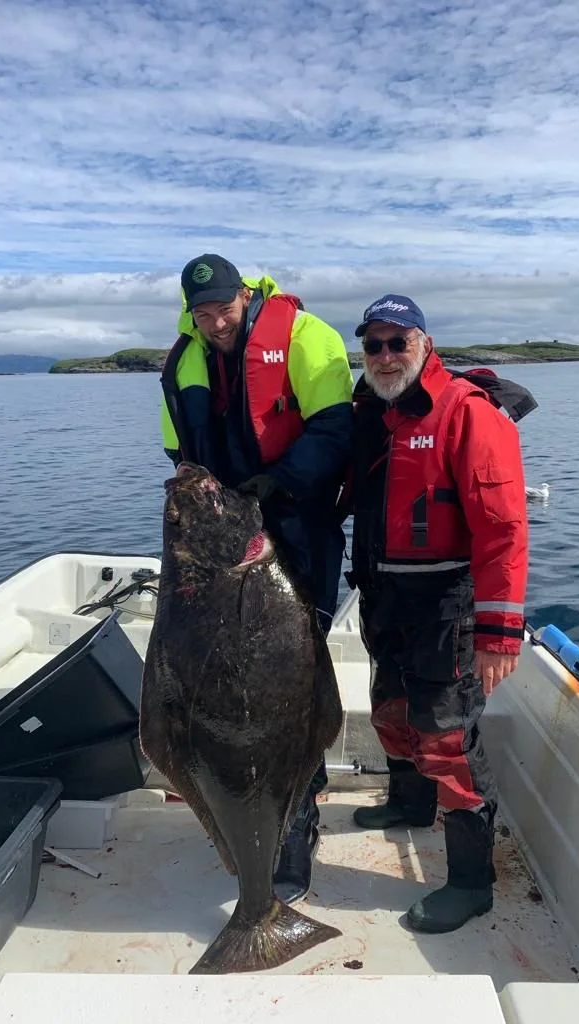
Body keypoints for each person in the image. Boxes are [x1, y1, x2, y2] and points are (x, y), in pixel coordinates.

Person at [159, 253, 353, 903]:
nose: (215, 322)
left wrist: (281, 481)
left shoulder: (306, 337)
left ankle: (296, 816)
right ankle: (245, 809)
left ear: (246, 293)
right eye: (202, 313)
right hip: (221, 535)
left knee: (292, 673)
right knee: (219, 679)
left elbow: (334, 429)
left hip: (296, 524)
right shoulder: (181, 361)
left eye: (224, 307)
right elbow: (176, 449)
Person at [343, 293, 531, 935]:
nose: (387, 355)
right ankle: (408, 803)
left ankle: (472, 883)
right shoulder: (368, 411)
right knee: (390, 709)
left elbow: (505, 530)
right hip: (382, 596)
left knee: (448, 737)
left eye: (400, 342)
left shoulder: (468, 412)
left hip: (447, 604)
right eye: (375, 344)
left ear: (425, 344)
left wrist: (499, 633)